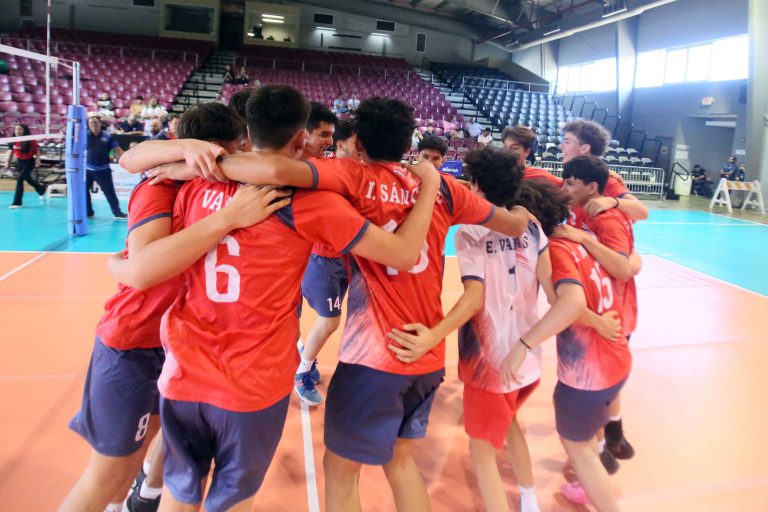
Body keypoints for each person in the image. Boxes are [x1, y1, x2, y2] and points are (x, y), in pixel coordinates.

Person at [132, 95, 536, 512]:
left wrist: (195, 163)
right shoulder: (447, 188)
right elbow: (509, 223)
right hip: (428, 353)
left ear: (356, 144)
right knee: (400, 463)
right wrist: (519, 211)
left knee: (340, 472)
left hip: (371, 355)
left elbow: (273, 169)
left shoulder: (348, 178)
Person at [59, 103, 285, 512]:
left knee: (146, 456)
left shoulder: (224, 185)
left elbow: (277, 168)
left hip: (178, 346)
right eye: (232, 149)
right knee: (108, 475)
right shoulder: (159, 186)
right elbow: (143, 269)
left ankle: (143, 494)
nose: (240, 154)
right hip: (133, 342)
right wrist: (227, 218)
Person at [501, 176, 630, 512]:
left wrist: (523, 345)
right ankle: (588, 483)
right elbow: (625, 268)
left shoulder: (556, 251)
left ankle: (598, 490)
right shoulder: (579, 239)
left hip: (588, 373)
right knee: (586, 438)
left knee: (578, 449)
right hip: (616, 358)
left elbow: (570, 303)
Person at [555, 155, 639, 478]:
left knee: (594, 389)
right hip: (597, 312)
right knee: (596, 392)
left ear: (592, 187)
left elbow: (621, 266)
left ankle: (599, 459)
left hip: (613, 316)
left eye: (571, 183)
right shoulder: (580, 208)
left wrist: (584, 239)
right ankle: (605, 447)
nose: (565, 187)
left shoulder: (607, 218)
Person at [294, 102, 340, 406]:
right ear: (303, 134)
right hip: (317, 257)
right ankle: (302, 371)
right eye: (324, 134)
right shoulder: (292, 168)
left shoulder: (327, 166)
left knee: (318, 319)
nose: (329, 141)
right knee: (330, 320)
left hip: (330, 256)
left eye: (332, 135)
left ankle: (302, 354)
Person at [86, 115, 127, 219]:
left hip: (103, 170)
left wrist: (129, 157)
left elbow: (118, 150)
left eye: (95, 122)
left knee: (110, 192)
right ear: (88, 125)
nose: (94, 125)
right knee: (83, 191)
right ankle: (88, 212)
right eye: (91, 123)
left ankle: (117, 212)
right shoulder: (84, 136)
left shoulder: (108, 136)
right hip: (88, 170)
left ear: (100, 124)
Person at [5, 123, 46, 208]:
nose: (17, 131)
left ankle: (17, 203)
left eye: (20, 129)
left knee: (20, 180)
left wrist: (38, 159)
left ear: (24, 131)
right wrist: (7, 163)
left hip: (29, 162)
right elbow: (11, 151)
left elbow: (37, 149)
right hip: (19, 163)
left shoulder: (29, 140)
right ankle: (41, 190)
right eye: (16, 129)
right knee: (29, 180)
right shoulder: (12, 140)